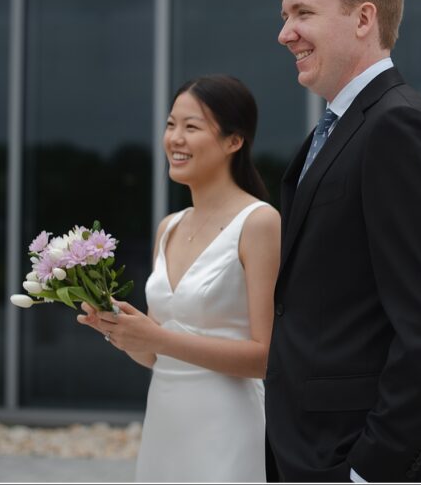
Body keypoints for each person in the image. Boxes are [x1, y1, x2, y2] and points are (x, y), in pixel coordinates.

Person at [265, 0, 421, 482]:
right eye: (285, 18)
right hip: (310, 449)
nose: (286, 34)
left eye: (303, 14)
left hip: (361, 459)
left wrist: (372, 468)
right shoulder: (335, 130)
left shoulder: (400, 127)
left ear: (363, 18)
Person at [77, 74, 281, 482]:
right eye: (171, 125)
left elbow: (266, 358)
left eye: (192, 127)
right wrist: (118, 329)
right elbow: (155, 355)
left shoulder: (258, 222)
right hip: (165, 424)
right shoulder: (168, 227)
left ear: (233, 141)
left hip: (228, 428)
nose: (175, 138)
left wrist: (158, 337)